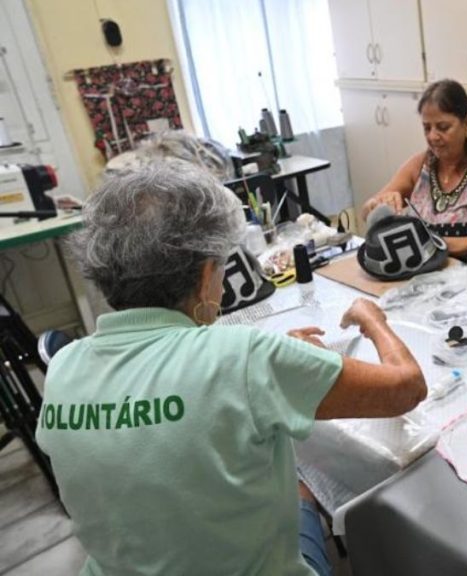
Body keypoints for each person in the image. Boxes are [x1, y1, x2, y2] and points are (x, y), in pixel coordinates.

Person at [35, 163, 426, 576]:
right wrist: (372, 318)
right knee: (307, 475)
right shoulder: (243, 357)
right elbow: (406, 387)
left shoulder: (63, 368)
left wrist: (276, 361)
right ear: (207, 274)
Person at [359, 79, 467, 258]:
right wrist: (376, 205)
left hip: (463, 272)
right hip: (420, 268)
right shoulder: (419, 165)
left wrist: (424, 243)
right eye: (426, 128)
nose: (433, 136)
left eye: (443, 127)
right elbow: (365, 212)